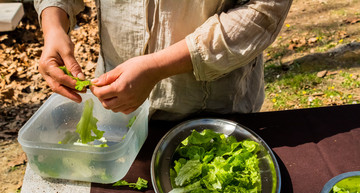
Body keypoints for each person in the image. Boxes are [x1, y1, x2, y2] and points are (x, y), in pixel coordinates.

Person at [34, 0, 292, 120]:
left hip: (210, 106)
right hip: (115, 106)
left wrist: (157, 67)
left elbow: (264, 11)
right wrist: (53, 23)